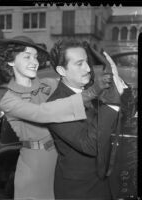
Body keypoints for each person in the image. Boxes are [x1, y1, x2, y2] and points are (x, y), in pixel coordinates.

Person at [0, 36, 112, 199]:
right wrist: (91, 92)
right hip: (35, 166)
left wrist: (98, 66)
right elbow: (42, 113)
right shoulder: (9, 100)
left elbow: (74, 77)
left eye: (35, 57)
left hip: (59, 163)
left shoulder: (49, 83)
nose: (34, 62)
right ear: (11, 62)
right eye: (27, 57)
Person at [47, 39, 125, 200]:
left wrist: (120, 92)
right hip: (79, 190)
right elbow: (89, 145)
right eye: (79, 64)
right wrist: (111, 102)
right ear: (62, 70)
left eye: (87, 62)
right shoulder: (55, 105)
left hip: (105, 182)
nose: (88, 68)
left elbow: (114, 124)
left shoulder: (93, 89)